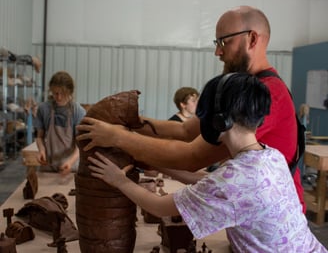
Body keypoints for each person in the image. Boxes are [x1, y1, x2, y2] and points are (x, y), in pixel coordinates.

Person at [76, 5, 305, 212]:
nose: (218, 52)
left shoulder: (267, 94)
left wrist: (117, 137)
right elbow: (186, 130)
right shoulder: (240, 89)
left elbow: (192, 156)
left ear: (252, 39)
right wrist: (127, 119)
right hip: (251, 222)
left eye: (224, 42)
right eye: (217, 43)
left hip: (274, 226)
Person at [87, 73, 326, 252]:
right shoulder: (270, 156)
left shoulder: (233, 181)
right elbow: (213, 184)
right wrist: (156, 163)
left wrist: (118, 180)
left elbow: (158, 206)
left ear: (219, 120)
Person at [35, 71, 86, 174]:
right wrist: (41, 150)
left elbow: (81, 145)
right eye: (55, 93)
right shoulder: (44, 109)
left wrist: (70, 162)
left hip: (71, 167)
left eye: (63, 94)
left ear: (70, 92)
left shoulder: (77, 111)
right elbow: (39, 137)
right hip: (48, 165)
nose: (58, 97)